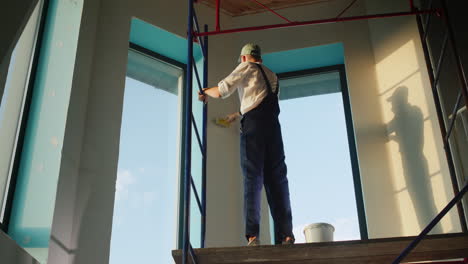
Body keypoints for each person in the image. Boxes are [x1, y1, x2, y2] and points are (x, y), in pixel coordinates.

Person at [198, 43, 294, 246]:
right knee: (278, 181)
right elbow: (260, 100)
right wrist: (238, 114)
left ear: (243, 58)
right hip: (273, 130)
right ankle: (286, 235)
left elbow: (223, 90)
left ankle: (252, 235)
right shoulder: (273, 76)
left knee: (253, 178)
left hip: (254, 129)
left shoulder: (245, 67)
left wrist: (205, 91)